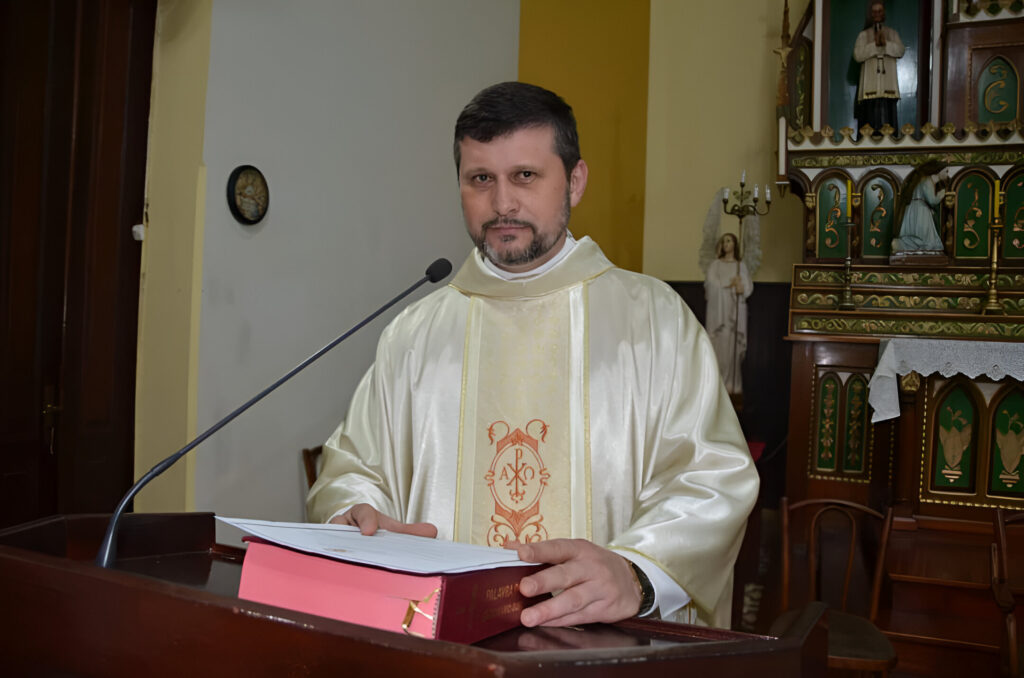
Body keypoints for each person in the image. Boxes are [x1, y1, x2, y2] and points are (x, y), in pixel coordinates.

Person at [306, 82, 759, 629]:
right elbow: (354, 467)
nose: (502, 204)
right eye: (481, 180)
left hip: (605, 649)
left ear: (574, 181)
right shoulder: (416, 333)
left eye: (525, 176)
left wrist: (637, 573)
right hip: (441, 645)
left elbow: (713, 477)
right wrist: (352, 514)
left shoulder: (653, 320)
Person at [704, 233, 752, 395]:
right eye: (724, 241)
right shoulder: (715, 265)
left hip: (733, 317)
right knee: (719, 352)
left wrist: (739, 286)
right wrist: (728, 284)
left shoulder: (740, 266)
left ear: (735, 244)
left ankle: (733, 384)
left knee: (732, 353)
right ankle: (718, 385)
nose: (726, 244)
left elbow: (746, 289)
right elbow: (711, 285)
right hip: (719, 317)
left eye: (729, 240)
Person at [853, 1, 905, 134]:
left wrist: (885, 44)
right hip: (869, 88)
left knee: (888, 125)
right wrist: (874, 46)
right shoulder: (863, 35)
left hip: (888, 87)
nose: (877, 15)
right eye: (874, 12)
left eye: (880, 11)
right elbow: (858, 55)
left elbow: (900, 51)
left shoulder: (892, 33)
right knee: (869, 126)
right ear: (871, 14)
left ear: (884, 13)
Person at [893, 160, 947, 252]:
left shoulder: (924, 179)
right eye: (946, 171)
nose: (947, 174)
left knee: (918, 235)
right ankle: (903, 245)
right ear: (939, 171)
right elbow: (932, 200)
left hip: (914, 208)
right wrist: (942, 193)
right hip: (920, 210)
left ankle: (902, 245)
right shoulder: (927, 180)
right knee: (923, 236)